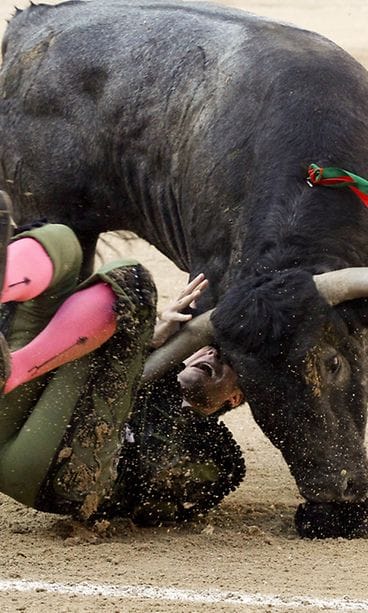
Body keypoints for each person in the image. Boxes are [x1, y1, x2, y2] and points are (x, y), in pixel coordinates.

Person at [0, 191, 245, 525]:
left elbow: (152, 480)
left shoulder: (222, 456)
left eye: (228, 362)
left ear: (236, 396)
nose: (212, 355)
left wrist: (145, 342)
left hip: (51, 472)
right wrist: (152, 341)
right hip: (17, 413)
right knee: (62, 241)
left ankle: (13, 370)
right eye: (210, 346)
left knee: (133, 284)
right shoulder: (155, 367)